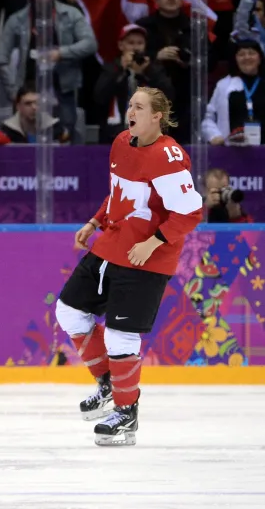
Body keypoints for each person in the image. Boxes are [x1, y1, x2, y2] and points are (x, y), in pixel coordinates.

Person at [55, 87, 202, 446]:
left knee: (121, 335)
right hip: (111, 246)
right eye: (129, 106)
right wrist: (94, 222)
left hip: (146, 259)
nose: (130, 112)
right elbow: (119, 193)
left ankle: (126, 414)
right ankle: (108, 383)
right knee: (69, 311)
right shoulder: (122, 142)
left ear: (158, 116)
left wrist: (154, 242)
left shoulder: (168, 156)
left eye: (139, 107)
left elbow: (189, 211)